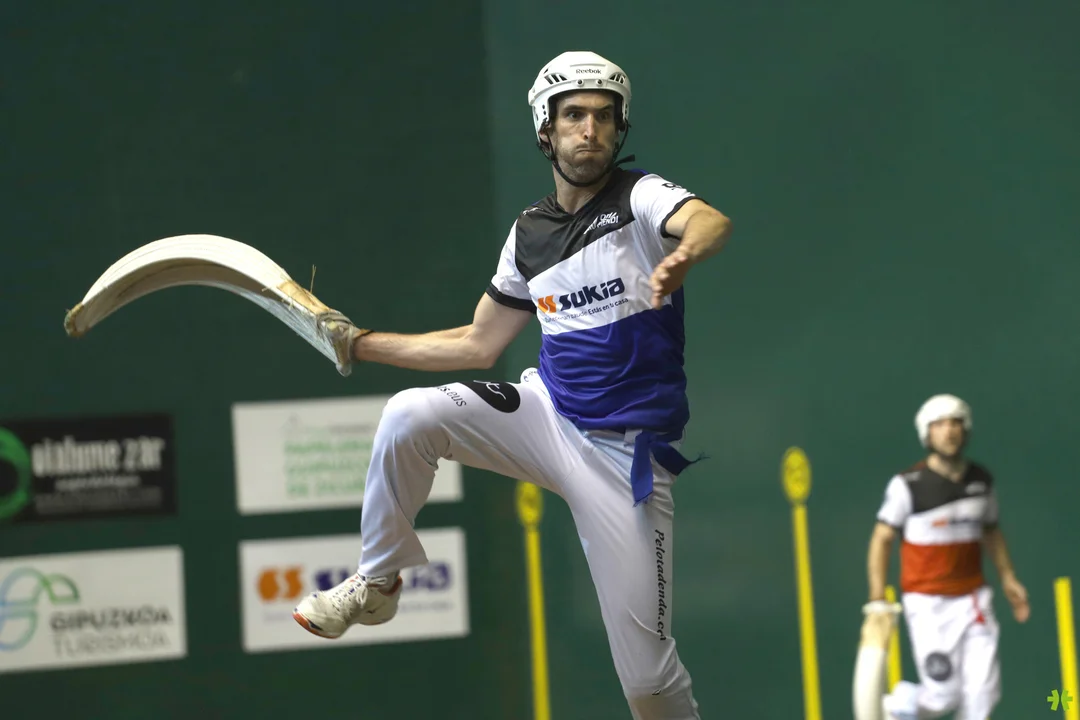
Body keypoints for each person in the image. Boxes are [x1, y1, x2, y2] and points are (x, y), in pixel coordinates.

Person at [292, 50, 733, 719]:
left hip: (626, 460)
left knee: (646, 684)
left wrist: (685, 252)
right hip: (547, 417)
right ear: (545, 129)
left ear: (620, 129)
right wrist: (359, 344)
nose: (590, 130)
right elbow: (478, 342)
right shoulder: (529, 233)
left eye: (604, 117)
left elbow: (709, 221)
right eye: (574, 115)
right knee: (410, 415)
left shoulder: (640, 198)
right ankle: (378, 583)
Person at [867, 393, 1030, 720]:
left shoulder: (981, 481)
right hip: (928, 604)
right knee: (942, 697)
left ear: (965, 430)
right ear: (927, 433)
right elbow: (882, 539)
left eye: (956, 423)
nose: (949, 431)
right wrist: (877, 598)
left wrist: (1008, 577)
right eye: (939, 424)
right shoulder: (907, 486)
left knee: (983, 697)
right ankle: (896, 708)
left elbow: (991, 532)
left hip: (973, 600)